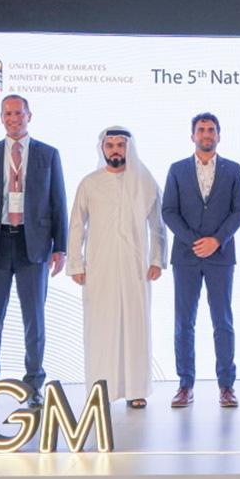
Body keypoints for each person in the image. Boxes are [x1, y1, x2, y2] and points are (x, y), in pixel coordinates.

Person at [0, 95, 68, 409]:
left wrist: (60, 247)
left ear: (29, 116)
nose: (13, 118)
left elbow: (59, 202)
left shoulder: (48, 154)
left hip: (33, 246)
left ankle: (33, 384)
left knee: (34, 320)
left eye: (19, 113)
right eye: (8, 113)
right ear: (1, 117)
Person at [67, 126, 166, 409]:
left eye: (120, 145)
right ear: (102, 148)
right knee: (101, 328)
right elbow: (76, 225)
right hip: (99, 267)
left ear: (128, 148)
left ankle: (136, 390)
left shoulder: (144, 182)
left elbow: (157, 225)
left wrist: (156, 259)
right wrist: (76, 263)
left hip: (135, 268)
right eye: (110, 145)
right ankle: (102, 390)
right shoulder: (90, 183)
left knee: (135, 326)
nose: (115, 150)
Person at [162, 113, 240, 408]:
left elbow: (239, 211)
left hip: (220, 255)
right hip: (186, 256)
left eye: (211, 130)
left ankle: (226, 386)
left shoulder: (233, 170)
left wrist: (217, 240)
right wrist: (193, 241)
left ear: (219, 136)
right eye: (201, 130)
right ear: (192, 136)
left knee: (222, 321)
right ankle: (185, 385)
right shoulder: (177, 170)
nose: (206, 134)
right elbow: (169, 211)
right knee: (184, 322)